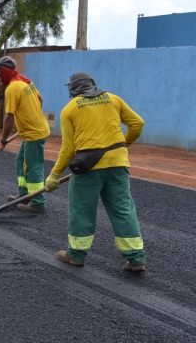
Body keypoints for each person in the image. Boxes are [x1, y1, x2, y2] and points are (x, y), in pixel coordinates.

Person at [45, 72, 146, 272]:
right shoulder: (113, 99)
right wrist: (124, 144)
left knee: (82, 210)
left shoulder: (70, 109)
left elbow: (68, 149)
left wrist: (54, 175)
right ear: (93, 85)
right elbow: (138, 123)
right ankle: (136, 259)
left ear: (73, 90)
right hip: (118, 164)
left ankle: (76, 255)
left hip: (87, 168)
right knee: (123, 210)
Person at [0, 56, 50, 213]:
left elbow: (9, 116)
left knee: (32, 167)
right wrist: (29, 117)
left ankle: (37, 202)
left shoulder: (13, 88)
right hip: (31, 130)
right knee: (20, 162)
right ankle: (25, 195)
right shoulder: (25, 81)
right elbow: (40, 99)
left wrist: (3, 140)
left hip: (34, 133)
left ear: (4, 71)